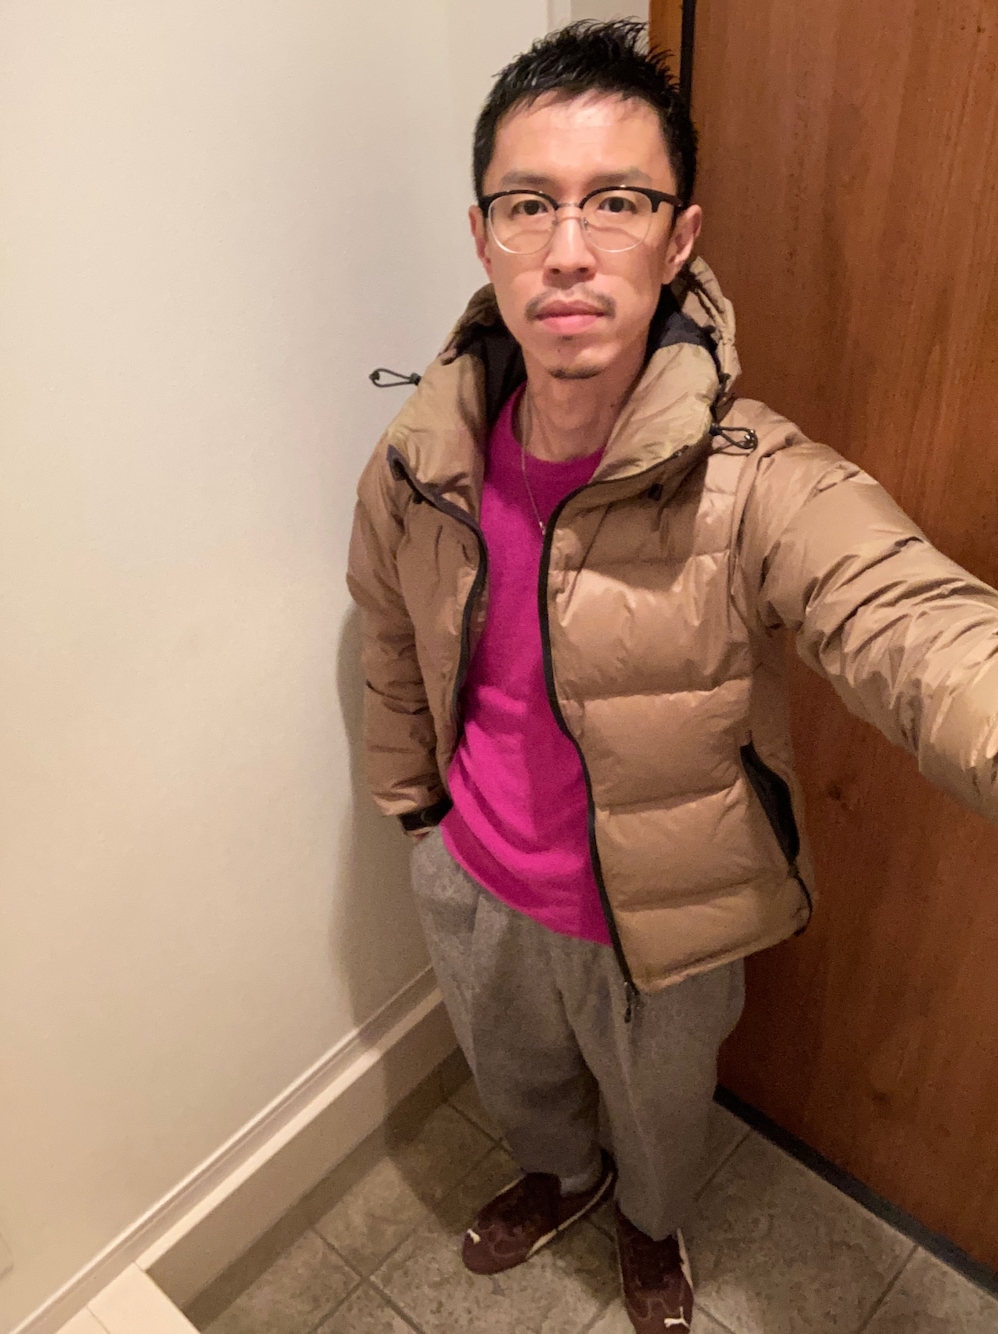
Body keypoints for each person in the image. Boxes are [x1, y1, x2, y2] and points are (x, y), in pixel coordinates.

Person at [346, 20, 998, 1332]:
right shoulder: (419, 458)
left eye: (617, 202)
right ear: (483, 237)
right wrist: (417, 815)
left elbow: (914, 623)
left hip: (664, 921)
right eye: (529, 205)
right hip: (475, 877)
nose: (568, 248)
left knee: (662, 1111)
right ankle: (559, 1175)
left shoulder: (756, 479)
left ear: (678, 238)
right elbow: (386, 634)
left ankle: (650, 1227)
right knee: (518, 1079)